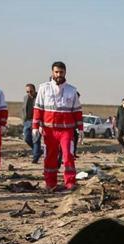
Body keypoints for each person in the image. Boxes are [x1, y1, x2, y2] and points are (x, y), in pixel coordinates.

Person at [32, 61, 83, 191]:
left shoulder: (72, 90)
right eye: (56, 72)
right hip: (49, 130)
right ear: (52, 72)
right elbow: (38, 108)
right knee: (50, 157)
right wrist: (35, 126)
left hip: (67, 130)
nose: (59, 74)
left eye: (61, 72)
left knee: (68, 156)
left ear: (65, 72)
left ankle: (70, 182)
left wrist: (81, 129)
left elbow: (77, 111)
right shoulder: (44, 88)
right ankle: (50, 182)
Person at [22, 83, 42, 163]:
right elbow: (23, 109)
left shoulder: (39, 98)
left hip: (37, 121)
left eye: (31, 91)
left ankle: (35, 157)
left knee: (36, 139)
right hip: (28, 121)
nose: (29, 93)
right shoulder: (25, 98)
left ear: (34, 90)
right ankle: (38, 151)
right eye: (27, 92)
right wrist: (24, 120)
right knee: (27, 138)